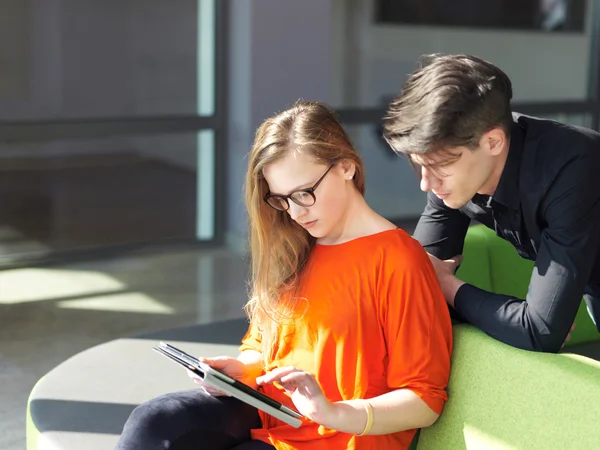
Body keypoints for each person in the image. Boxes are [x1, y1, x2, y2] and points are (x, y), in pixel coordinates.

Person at [115, 101, 453, 450]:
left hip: (337, 439)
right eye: (281, 200)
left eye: (305, 193)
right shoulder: (296, 247)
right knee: (154, 423)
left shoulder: (397, 259)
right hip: (270, 415)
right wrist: (242, 369)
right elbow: (264, 346)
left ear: (347, 167)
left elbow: (424, 400)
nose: (294, 212)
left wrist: (334, 412)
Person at [382, 53, 600, 353]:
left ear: (493, 142)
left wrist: (446, 285)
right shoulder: (456, 166)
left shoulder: (572, 170)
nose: (426, 183)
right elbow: (416, 287)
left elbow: (539, 332)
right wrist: (512, 322)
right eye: (421, 165)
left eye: (440, 165)